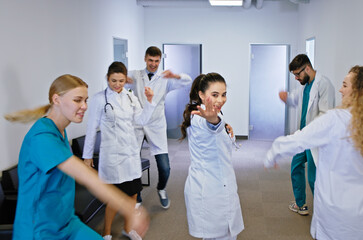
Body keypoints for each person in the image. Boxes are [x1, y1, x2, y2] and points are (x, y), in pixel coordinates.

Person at [265, 66, 363, 239]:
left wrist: (272, 154)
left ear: (358, 91)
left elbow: (297, 141)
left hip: (341, 216)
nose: (340, 89)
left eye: (345, 85)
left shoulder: (335, 120)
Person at [4, 74, 149, 240]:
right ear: (56, 99)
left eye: (85, 100)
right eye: (77, 100)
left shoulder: (60, 131)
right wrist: (128, 208)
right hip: (40, 231)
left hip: (66, 222)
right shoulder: (42, 137)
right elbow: (85, 176)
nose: (85, 106)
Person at [82, 62, 155, 240]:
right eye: (114, 80)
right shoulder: (100, 99)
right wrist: (87, 156)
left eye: (121, 81)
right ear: (107, 78)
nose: (117, 84)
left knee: (133, 194)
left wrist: (150, 102)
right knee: (114, 198)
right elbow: (91, 128)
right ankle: (106, 232)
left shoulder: (131, 97)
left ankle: (128, 228)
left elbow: (141, 120)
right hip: (112, 156)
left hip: (130, 154)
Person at [180, 73, 244, 240]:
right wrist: (215, 122)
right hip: (208, 190)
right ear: (201, 95)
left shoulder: (216, 116)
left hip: (220, 183)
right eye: (214, 95)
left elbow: (218, 135)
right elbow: (211, 126)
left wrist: (226, 128)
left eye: (223, 94)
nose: (220, 100)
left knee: (226, 235)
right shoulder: (201, 118)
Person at [129, 46, 192, 209]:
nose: (153, 64)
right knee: (133, 161)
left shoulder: (165, 79)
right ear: (145, 59)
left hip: (156, 124)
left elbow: (188, 81)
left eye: (157, 61)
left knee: (165, 167)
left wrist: (176, 75)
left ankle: (161, 189)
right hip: (137, 124)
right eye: (150, 60)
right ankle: (137, 194)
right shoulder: (136, 75)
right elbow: (117, 78)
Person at [279, 54, 335, 215]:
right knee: (296, 166)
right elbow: (296, 100)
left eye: (298, 74)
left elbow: (326, 115)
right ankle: (300, 204)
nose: (296, 78)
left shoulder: (324, 84)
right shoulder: (306, 84)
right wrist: (286, 99)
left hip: (316, 139)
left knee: (313, 178)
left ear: (307, 68)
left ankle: (324, 215)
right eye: (294, 75)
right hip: (304, 136)